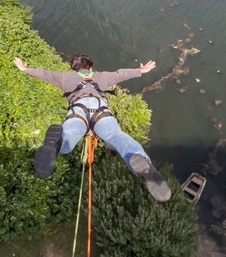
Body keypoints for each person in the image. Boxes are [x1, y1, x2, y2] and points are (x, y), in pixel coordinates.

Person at [14, 54, 172, 202]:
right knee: (117, 137)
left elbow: (45, 74)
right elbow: (121, 74)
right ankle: (140, 160)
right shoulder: (101, 76)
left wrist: (24, 69)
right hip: (100, 110)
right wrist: (141, 70)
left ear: (73, 68)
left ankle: (56, 144)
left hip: (78, 109)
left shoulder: (64, 77)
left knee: (68, 138)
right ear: (90, 67)